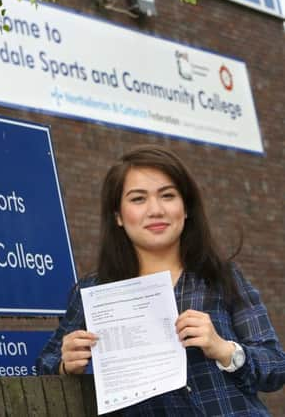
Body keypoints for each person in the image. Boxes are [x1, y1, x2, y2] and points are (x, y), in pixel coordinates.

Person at [36, 145, 285, 416]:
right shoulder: (95, 292)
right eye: (138, 199)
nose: (155, 210)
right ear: (118, 216)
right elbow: (45, 366)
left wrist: (224, 349)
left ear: (186, 208)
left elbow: (275, 367)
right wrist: (66, 364)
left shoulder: (221, 277)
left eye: (167, 196)